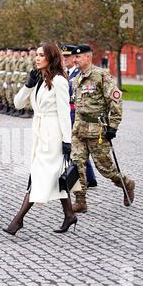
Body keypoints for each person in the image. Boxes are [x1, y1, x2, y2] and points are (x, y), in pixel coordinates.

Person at [3, 42, 78, 235]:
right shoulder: (38, 79)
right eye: (35, 54)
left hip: (53, 135)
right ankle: (69, 214)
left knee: (39, 176)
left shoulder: (60, 81)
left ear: (50, 58)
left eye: (40, 55)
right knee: (54, 175)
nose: (36, 58)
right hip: (39, 132)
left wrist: (67, 141)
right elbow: (18, 103)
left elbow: (64, 113)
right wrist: (28, 84)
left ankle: (17, 221)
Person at [70, 44, 135, 213]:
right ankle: (80, 200)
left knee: (105, 168)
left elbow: (116, 101)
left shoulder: (101, 75)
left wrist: (113, 126)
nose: (74, 60)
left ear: (87, 57)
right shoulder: (77, 78)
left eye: (78, 57)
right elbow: (79, 106)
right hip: (79, 130)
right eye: (74, 57)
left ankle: (126, 183)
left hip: (97, 131)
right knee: (76, 164)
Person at [61, 44, 97, 188]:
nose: (65, 59)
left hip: (75, 113)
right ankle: (87, 177)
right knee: (75, 148)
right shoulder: (65, 72)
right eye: (63, 56)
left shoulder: (79, 73)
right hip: (67, 113)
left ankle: (86, 178)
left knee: (76, 147)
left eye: (67, 57)